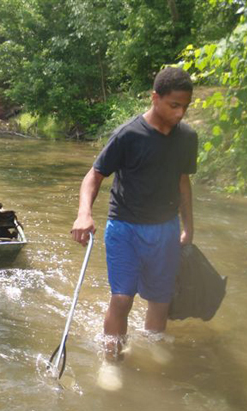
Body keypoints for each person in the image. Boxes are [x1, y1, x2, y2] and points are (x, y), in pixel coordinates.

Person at [71, 67, 198, 361]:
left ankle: (153, 346)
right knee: (122, 298)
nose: (180, 114)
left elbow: (183, 182)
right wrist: (83, 214)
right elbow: (94, 175)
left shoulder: (187, 137)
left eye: (185, 107)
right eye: (174, 105)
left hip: (165, 228)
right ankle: (111, 359)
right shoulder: (128, 135)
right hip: (125, 227)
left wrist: (188, 228)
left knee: (160, 299)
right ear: (155, 98)